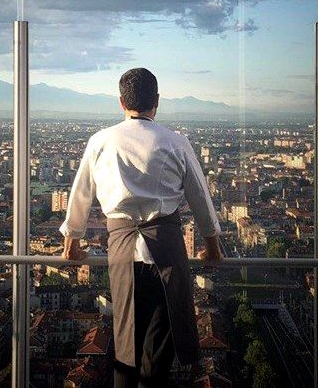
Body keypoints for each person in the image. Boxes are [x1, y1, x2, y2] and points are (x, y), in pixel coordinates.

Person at [59, 67, 223, 387]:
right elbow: (200, 196)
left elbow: (81, 194)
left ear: (121, 102)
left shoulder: (100, 141)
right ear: (157, 102)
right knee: (158, 353)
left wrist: (72, 244)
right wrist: (212, 245)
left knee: (126, 348)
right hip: (168, 251)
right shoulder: (176, 141)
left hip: (122, 253)